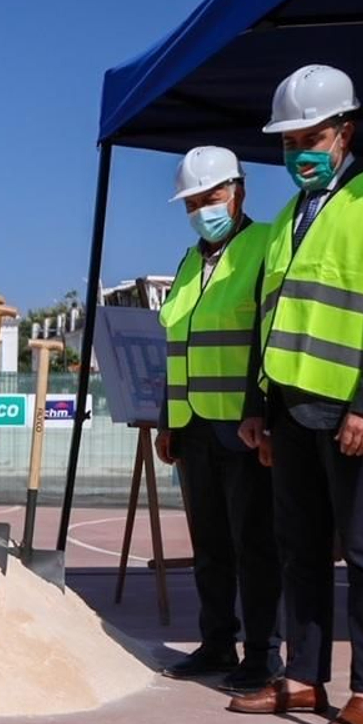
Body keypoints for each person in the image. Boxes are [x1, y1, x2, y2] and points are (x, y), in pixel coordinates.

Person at [229, 65, 363, 724]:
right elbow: (270, 317)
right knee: (300, 549)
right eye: (288, 143)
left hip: (353, 413)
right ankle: (303, 677)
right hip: (290, 410)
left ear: (345, 131)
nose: (298, 154)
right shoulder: (290, 217)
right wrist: (258, 406)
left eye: (309, 138)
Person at [154, 146, 283, 694]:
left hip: (243, 425)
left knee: (254, 544)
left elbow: (268, 336)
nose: (202, 209)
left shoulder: (265, 246)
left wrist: (263, 412)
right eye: (192, 202)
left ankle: (262, 653)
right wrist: (167, 419)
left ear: (238, 192)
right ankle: (216, 643)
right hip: (193, 426)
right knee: (209, 545)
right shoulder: (189, 263)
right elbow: (177, 345)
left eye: (211, 197)